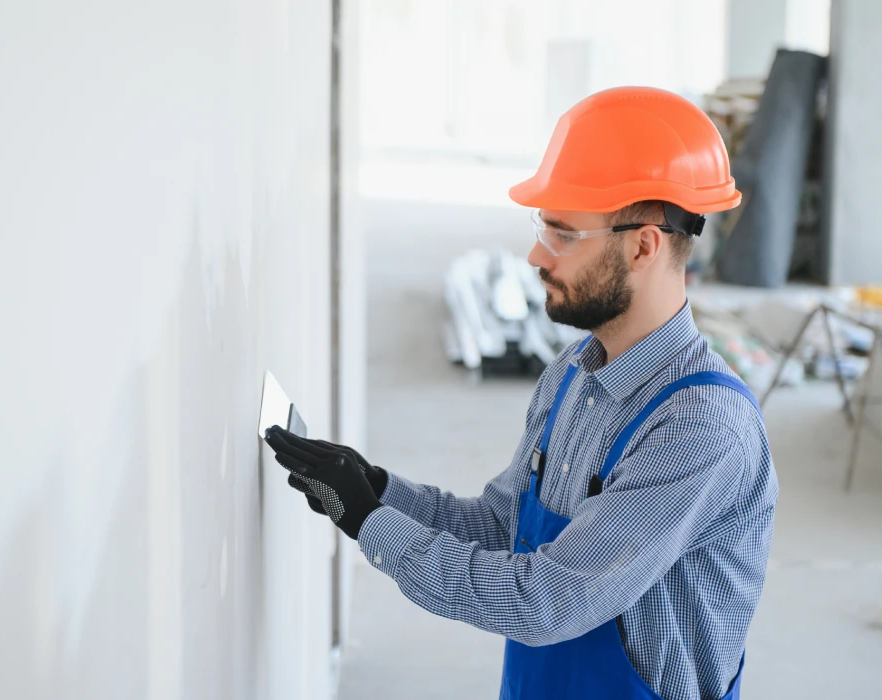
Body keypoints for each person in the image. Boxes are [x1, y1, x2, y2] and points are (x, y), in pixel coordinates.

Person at [265, 86, 778, 700]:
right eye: (543, 227)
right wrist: (379, 489)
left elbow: (545, 603)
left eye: (563, 234)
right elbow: (503, 526)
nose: (537, 254)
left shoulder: (701, 428)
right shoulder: (573, 377)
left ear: (644, 245)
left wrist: (376, 526)